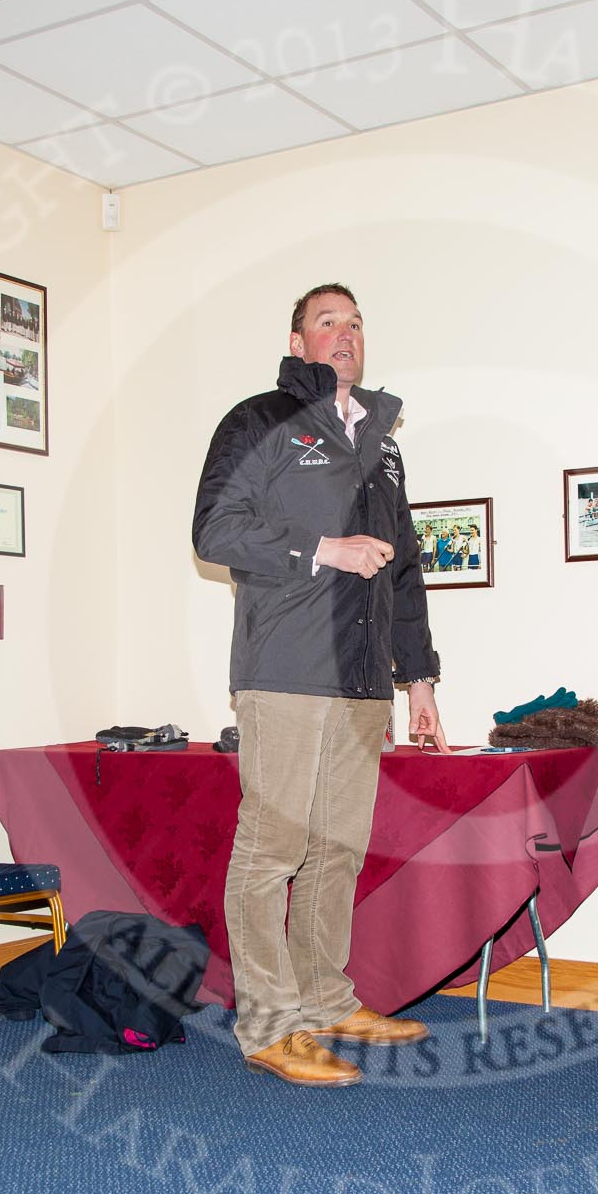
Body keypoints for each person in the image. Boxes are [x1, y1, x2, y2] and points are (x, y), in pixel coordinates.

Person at [192, 282, 446, 1089]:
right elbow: (215, 529)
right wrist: (320, 549)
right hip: (287, 672)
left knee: (336, 851)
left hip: (364, 681)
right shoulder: (258, 421)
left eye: (357, 323)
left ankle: (325, 1001)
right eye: (328, 322)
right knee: (272, 851)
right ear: (298, 341)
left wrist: (422, 677)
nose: (346, 334)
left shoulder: (382, 439)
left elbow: (403, 569)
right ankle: (269, 1024)